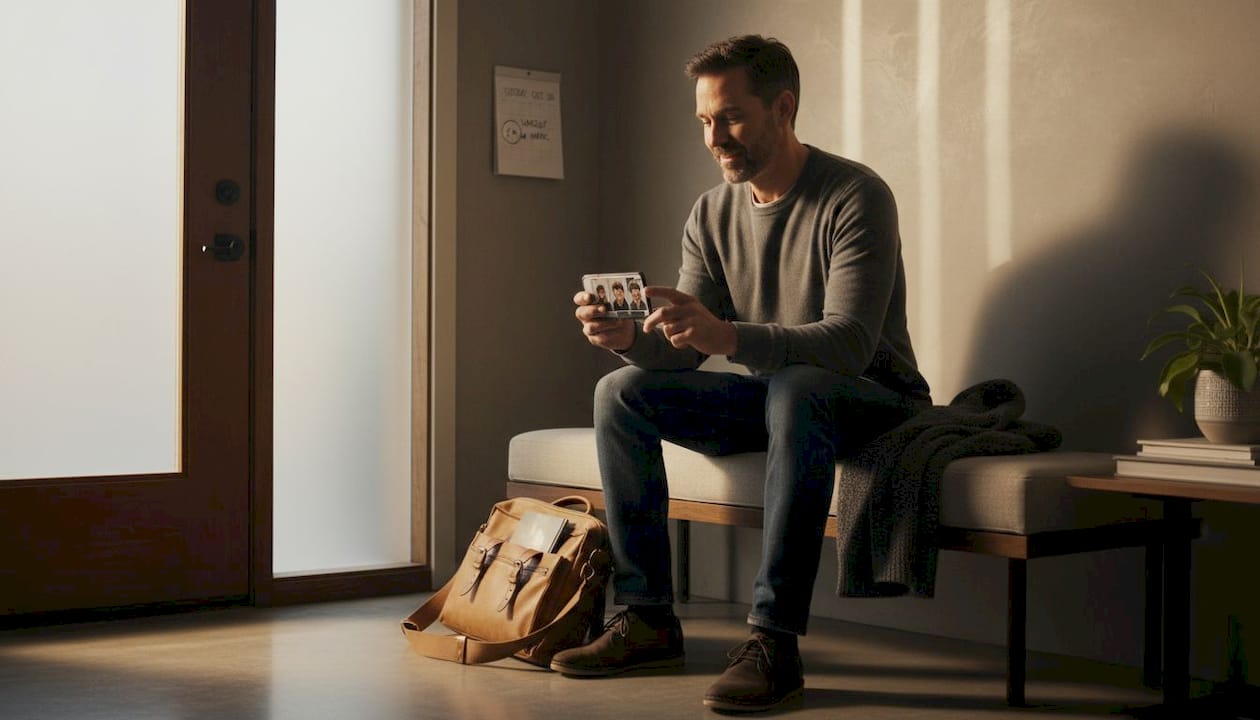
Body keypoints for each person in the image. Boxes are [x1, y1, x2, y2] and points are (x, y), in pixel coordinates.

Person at [557, 34, 931, 712]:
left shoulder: (855, 195)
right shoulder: (712, 212)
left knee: (799, 386)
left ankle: (773, 641)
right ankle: (645, 617)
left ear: (782, 108)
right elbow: (685, 350)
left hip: (875, 400)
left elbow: (848, 344)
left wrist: (729, 334)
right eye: (704, 120)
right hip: (781, 400)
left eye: (729, 117)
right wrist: (629, 343)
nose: (714, 137)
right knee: (622, 393)